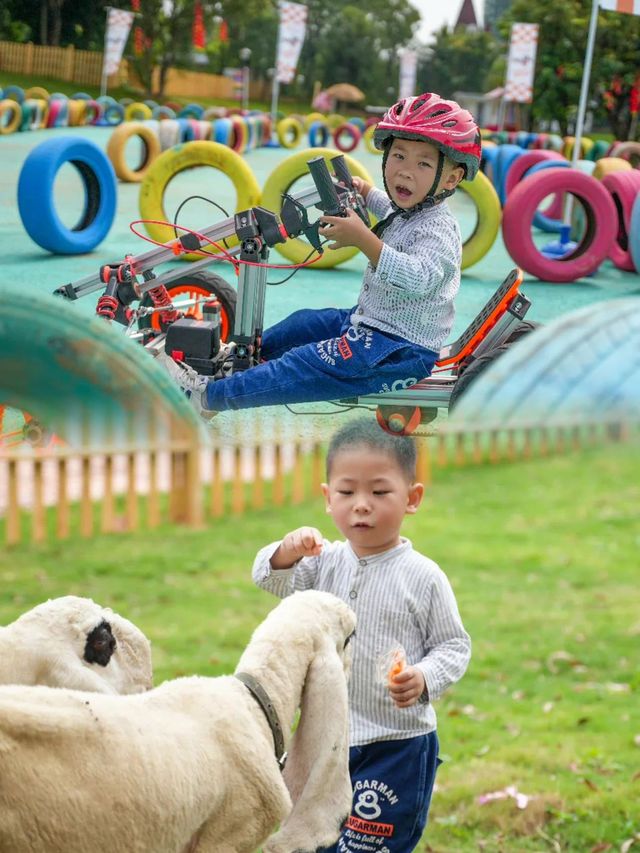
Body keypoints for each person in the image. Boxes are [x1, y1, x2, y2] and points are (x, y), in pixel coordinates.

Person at [159, 93, 481, 414]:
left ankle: (206, 398)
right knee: (302, 325)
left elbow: (417, 276)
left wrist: (362, 238)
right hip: (371, 324)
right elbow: (387, 207)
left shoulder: (438, 231)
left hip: (397, 351)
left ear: (451, 178)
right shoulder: (408, 209)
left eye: (423, 163)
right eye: (398, 156)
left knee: (302, 365)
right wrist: (365, 191)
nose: (405, 171)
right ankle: (231, 366)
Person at [252, 417, 471, 853]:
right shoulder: (322, 562)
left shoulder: (423, 577)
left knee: (370, 846)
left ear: (412, 498)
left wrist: (426, 676)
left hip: (396, 744)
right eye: (347, 492)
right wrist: (286, 551)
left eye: (379, 491)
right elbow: (269, 578)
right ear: (327, 498)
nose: (362, 505)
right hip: (324, 741)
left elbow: (454, 645)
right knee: (312, 839)